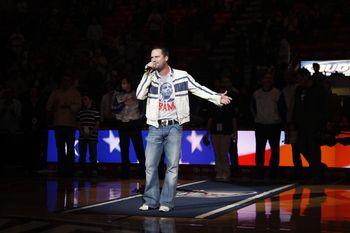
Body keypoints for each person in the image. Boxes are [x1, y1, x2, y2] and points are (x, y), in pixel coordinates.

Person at [136, 46, 232, 212]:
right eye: (152, 57)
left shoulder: (181, 76)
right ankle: (151, 201)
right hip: (155, 126)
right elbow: (139, 95)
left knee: (172, 167)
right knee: (150, 166)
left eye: (157, 57)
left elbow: (198, 89)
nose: (153, 60)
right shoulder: (150, 76)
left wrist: (217, 98)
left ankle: (166, 202)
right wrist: (147, 74)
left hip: (174, 126)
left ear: (166, 58)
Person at [250, 71, 286, 179]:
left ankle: (273, 172)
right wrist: (255, 118)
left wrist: (282, 122)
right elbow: (251, 107)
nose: (268, 80)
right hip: (260, 125)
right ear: (262, 81)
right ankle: (259, 172)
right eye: (266, 78)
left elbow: (282, 109)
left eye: (270, 78)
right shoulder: (256, 94)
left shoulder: (277, 93)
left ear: (273, 81)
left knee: (275, 150)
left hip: (274, 125)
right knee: (260, 150)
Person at [46, 75, 81, 176]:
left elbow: (79, 106)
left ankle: (70, 169)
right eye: (63, 80)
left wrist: (69, 106)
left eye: (67, 80)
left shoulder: (75, 93)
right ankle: (61, 169)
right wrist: (54, 106)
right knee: (60, 147)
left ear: (70, 82)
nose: (65, 82)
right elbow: (48, 107)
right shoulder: (55, 93)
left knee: (70, 147)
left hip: (70, 124)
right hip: (58, 123)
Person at [113, 77, 146, 179]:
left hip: (134, 124)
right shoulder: (117, 95)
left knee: (139, 148)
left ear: (131, 83)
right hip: (123, 125)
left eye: (127, 83)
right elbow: (114, 110)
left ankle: (143, 172)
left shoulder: (138, 94)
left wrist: (139, 121)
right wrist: (123, 103)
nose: (125, 85)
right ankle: (125, 172)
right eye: (123, 83)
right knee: (124, 149)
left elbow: (143, 110)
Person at [76, 93, 100, 176]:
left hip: (92, 137)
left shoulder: (95, 111)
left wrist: (91, 132)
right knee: (82, 154)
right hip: (83, 137)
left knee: (93, 154)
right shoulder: (81, 112)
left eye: (86, 99)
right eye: (83, 100)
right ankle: (81, 170)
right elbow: (78, 123)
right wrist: (82, 132)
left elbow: (97, 124)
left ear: (90, 100)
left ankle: (94, 170)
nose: (84, 101)